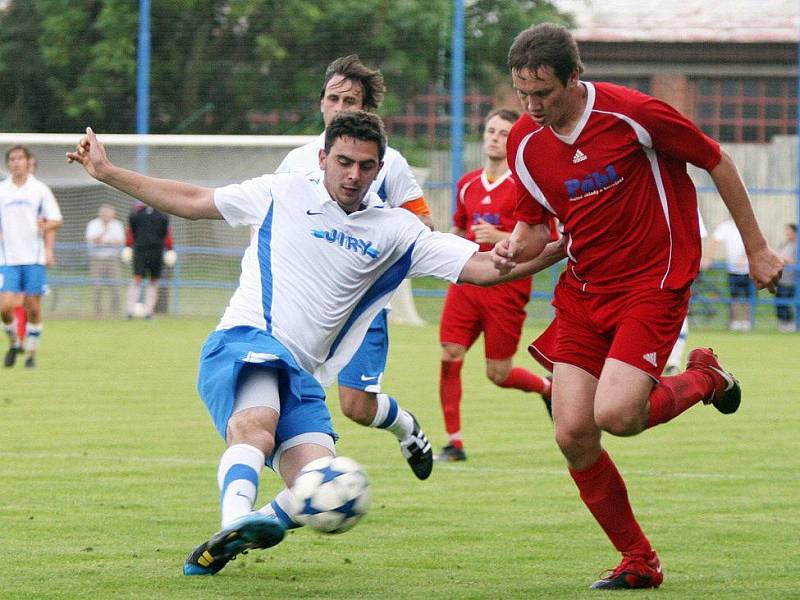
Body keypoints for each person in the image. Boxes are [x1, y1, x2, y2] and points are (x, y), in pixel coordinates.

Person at [67, 112, 563, 576]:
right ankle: (233, 518)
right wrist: (108, 172)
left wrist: (562, 247)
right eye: (344, 161)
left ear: (379, 169)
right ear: (323, 158)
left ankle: (237, 536)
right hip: (248, 340)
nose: (353, 174)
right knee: (254, 428)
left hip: (303, 372)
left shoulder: (397, 230)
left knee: (318, 486)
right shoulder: (282, 191)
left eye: (366, 166)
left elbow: (485, 269)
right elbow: (196, 201)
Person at [494, 23, 784, 589]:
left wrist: (756, 248)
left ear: (574, 78)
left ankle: (703, 377)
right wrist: (510, 246)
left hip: (654, 281)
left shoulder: (634, 113)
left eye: (544, 94)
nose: (532, 107)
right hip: (584, 292)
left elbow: (716, 160)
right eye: (523, 94)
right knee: (572, 432)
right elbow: (533, 229)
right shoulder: (525, 142)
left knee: (619, 416)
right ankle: (639, 561)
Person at [276, 55, 436, 480]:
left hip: (360, 308)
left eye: (352, 101)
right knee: (277, 394)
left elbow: (424, 224)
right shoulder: (295, 162)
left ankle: (407, 427)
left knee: (357, 406)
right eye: (334, 98)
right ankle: (312, 479)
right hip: (301, 306)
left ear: (366, 110)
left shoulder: (390, 163)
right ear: (321, 104)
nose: (341, 107)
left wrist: (374, 232)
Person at [436, 108, 553, 463]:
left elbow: (549, 238)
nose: (495, 137)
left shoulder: (527, 186)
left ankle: (549, 389)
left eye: (504, 133)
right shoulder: (467, 184)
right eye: (490, 131)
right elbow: (459, 229)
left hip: (507, 287)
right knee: (449, 354)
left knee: (498, 373)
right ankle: (454, 443)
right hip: (467, 282)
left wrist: (500, 236)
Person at [0, 144, 63, 369]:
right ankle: (15, 342)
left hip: (34, 258)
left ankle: (31, 354)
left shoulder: (40, 190)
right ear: (8, 164)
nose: (16, 162)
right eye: (12, 159)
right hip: (8, 260)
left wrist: (45, 226)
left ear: (28, 161)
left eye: (20, 158)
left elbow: (56, 219)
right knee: (5, 307)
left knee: (33, 307)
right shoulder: (2, 190)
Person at [663, 211, 709, 375]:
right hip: (654, 269)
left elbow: (698, 238)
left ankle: (673, 361)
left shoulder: (689, 205)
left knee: (679, 315)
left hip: (677, 270)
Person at [125, 201, 172, 319]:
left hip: (156, 251)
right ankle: (130, 310)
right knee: (137, 278)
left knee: (153, 280)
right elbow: (132, 232)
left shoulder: (163, 216)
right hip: (140, 250)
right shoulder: (136, 215)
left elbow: (165, 234)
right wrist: (129, 245)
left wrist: (169, 248)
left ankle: (149, 311)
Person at [706, 219, 753, 331]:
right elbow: (715, 240)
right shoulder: (726, 226)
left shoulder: (748, 224)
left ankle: (747, 322)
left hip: (748, 269)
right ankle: (735, 322)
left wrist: (744, 258)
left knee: (748, 297)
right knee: (734, 297)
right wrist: (708, 257)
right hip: (732, 270)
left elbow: (753, 244)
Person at [85, 203, 126, 315]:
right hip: (96, 258)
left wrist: (106, 242)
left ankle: (115, 312)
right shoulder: (93, 224)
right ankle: (98, 312)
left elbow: (120, 241)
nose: (106, 215)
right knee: (97, 286)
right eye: (104, 213)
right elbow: (92, 239)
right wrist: (104, 231)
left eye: (109, 213)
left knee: (115, 285)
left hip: (112, 259)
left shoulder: (117, 225)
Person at [775, 223, 796, 332]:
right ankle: (784, 323)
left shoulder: (797, 246)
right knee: (780, 302)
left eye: (789, 231)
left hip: (793, 281)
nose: (787, 233)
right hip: (782, 279)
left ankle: (791, 323)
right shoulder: (784, 245)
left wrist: (786, 260)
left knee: (789, 302)